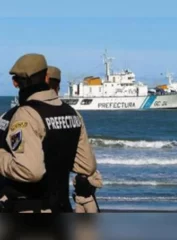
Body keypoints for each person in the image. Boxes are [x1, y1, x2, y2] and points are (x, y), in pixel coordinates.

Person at [0, 53, 97, 213]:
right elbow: (87, 166)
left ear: (15, 83)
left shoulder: (24, 114)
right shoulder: (72, 113)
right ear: (46, 77)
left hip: (30, 210)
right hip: (62, 206)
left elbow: (30, 171)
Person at [47, 65, 103, 213]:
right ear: (57, 85)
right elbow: (87, 164)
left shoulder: (21, 113)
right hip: (60, 199)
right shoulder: (73, 114)